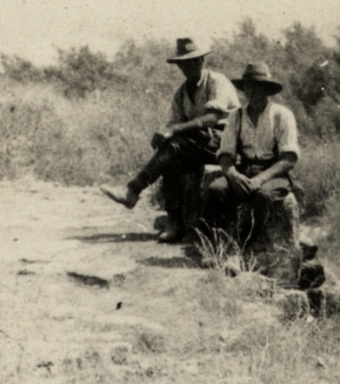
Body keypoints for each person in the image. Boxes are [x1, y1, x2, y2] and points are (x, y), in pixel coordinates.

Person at [102, 37, 240, 241]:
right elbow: (175, 124)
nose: (189, 67)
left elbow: (212, 118)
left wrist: (173, 130)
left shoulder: (216, 81)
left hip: (226, 143)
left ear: (202, 60)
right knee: (171, 157)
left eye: (194, 61)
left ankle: (133, 190)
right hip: (201, 145)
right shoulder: (181, 93)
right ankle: (174, 222)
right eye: (184, 63)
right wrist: (165, 133)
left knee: (174, 145)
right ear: (179, 66)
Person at [203, 63, 300, 277]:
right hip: (244, 169)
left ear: (267, 90)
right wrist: (232, 174)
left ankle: (240, 251)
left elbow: (288, 159)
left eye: (257, 86)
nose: (252, 91)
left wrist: (261, 179)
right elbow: (225, 153)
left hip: (273, 172)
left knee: (262, 196)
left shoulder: (281, 115)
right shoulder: (236, 116)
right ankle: (216, 246)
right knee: (216, 191)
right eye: (248, 87)